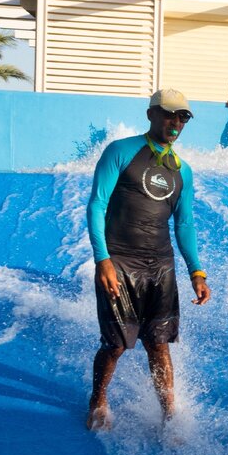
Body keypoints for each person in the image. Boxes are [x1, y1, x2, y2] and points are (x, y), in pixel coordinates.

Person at [85, 88, 212, 431]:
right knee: (116, 345)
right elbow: (97, 204)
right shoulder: (121, 151)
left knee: (159, 345)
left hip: (161, 265)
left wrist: (196, 272)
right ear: (151, 114)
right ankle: (98, 400)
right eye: (170, 114)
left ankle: (170, 415)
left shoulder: (182, 171)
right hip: (120, 262)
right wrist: (103, 260)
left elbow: (184, 223)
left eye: (183, 117)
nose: (176, 122)